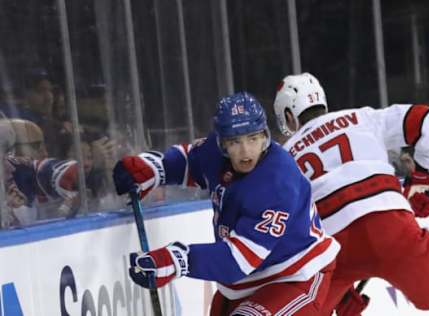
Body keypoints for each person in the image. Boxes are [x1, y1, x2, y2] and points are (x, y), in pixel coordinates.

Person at [112, 92, 340, 315]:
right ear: (222, 144)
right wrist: (156, 169)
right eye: (235, 142)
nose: (245, 151)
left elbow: (239, 259)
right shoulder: (215, 151)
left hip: (295, 275)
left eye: (253, 138)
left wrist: (177, 259)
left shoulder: (277, 181)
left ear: (265, 136)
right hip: (245, 283)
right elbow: (193, 162)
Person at [272, 73, 429, 316]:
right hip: (387, 224)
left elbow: (281, 231)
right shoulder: (360, 118)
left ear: (289, 116)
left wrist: (338, 289)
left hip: (330, 247)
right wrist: (423, 174)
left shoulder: (281, 159)